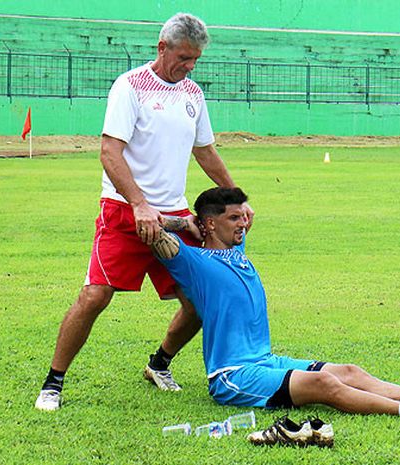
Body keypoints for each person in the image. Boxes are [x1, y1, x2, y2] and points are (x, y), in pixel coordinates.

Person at [149, 187, 400, 443]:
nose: (244, 223)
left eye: (244, 216)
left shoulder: (236, 248)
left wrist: (217, 221)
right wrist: (188, 224)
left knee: (348, 371)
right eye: (234, 218)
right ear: (209, 223)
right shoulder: (194, 263)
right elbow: (152, 230)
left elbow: (242, 220)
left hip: (264, 361)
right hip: (233, 375)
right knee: (324, 383)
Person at [35, 13, 253, 411]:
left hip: (177, 217)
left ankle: (159, 364)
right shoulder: (130, 87)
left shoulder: (193, 94)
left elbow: (204, 151)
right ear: (162, 47)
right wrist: (139, 203)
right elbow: (109, 152)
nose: (189, 66)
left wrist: (236, 201)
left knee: (202, 299)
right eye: (184, 57)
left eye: (195, 60)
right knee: (95, 295)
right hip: (126, 211)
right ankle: (53, 382)